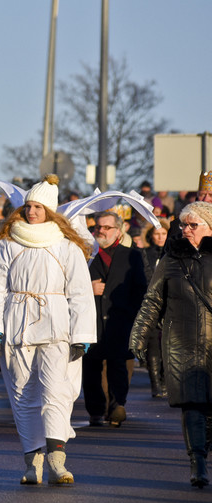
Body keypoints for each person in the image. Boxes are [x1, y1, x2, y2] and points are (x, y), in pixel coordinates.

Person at [0, 175, 96, 485]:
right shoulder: (8, 243)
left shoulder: (66, 245)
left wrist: (82, 336)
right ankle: (33, 462)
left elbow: (81, 293)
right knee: (23, 393)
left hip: (57, 326)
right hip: (16, 325)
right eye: (28, 206)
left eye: (37, 207)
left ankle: (58, 460)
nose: (31, 211)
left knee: (55, 391)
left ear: (50, 210)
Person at [129, 202, 212, 488]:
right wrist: (138, 334)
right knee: (193, 404)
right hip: (181, 342)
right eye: (183, 225)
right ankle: (197, 461)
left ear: (209, 228)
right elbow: (153, 301)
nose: (186, 230)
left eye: (193, 225)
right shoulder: (171, 259)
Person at [84, 211, 147, 427]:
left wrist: (136, 318)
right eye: (98, 227)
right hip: (91, 319)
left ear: (118, 231)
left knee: (118, 364)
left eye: (106, 227)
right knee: (91, 367)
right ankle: (95, 410)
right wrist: (87, 288)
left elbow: (140, 289)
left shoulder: (132, 256)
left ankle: (117, 405)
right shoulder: (86, 255)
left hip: (120, 319)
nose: (101, 231)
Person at [141, 218, 169, 397]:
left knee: (168, 342)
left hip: (170, 302)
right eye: (157, 234)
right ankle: (155, 385)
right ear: (151, 236)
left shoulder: (173, 253)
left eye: (163, 234)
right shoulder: (144, 253)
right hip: (150, 301)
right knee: (152, 344)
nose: (160, 237)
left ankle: (166, 382)